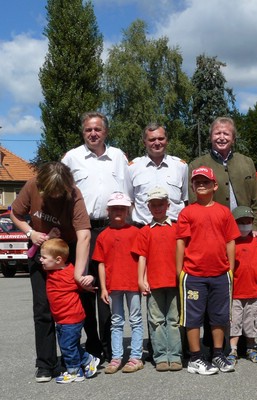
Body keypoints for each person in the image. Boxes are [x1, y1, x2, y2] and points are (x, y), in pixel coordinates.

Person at [11, 162, 91, 383]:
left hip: (67, 252)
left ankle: (74, 359)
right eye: (51, 192)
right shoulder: (32, 185)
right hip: (42, 254)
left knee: (72, 307)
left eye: (59, 192)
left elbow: (84, 235)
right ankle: (45, 364)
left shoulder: (74, 193)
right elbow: (15, 214)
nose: (55, 195)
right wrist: (31, 233)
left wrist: (79, 273)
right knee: (43, 308)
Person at [62, 111, 130, 362]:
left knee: (109, 289)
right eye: (89, 130)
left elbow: (128, 192)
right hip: (82, 230)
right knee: (86, 287)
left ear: (106, 132)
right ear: (83, 132)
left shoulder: (118, 157)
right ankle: (92, 344)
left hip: (112, 229)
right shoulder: (72, 157)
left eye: (98, 129)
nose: (93, 133)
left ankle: (110, 346)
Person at [176, 166, 240, 375]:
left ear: (215, 185)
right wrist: (180, 271)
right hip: (193, 275)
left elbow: (230, 241)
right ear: (192, 187)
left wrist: (229, 269)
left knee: (220, 316)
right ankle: (195, 358)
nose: (201, 185)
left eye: (205, 181)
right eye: (197, 182)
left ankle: (218, 354)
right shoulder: (187, 212)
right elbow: (181, 243)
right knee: (192, 318)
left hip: (221, 274)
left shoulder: (223, 212)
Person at [188, 117, 257, 239]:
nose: (222, 137)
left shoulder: (247, 162)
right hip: (213, 233)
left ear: (233, 139)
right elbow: (193, 204)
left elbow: (256, 200)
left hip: (246, 232)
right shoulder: (196, 165)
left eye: (226, 134)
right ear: (210, 137)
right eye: (217, 133)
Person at [132, 187, 182, 372]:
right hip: (154, 282)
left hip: (174, 281)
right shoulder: (145, 231)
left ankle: (175, 355)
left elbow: (183, 254)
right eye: (154, 205)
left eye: (161, 204)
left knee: (174, 320)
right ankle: (161, 356)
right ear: (149, 207)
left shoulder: (177, 228)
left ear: (168, 205)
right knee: (156, 321)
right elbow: (142, 257)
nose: (158, 208)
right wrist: (141, 279)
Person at [93, 192, 143, 374]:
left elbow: (143, 259)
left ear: (128, 211)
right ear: (108, 210)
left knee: (136, 320)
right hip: (113, 285)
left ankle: (136, 357)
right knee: (116, 321)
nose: (118, 211)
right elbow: (100, 263)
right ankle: (116, 358)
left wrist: (142, 280)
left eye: (122, 208)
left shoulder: (136, 232)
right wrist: (104, 287)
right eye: (115, 208)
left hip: (133, 284)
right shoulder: (103, 235)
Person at [41, 238, 99, 383]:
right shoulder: (51, 271)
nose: (40, 260)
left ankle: (75, 372)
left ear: (58, 259)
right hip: (61, 319)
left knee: (67, 345)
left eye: (44, 257)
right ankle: (88, 360)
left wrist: (90, 278)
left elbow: (84, 281)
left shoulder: (71, 273)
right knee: (69, 345)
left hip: (72, 318)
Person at [227, 206, 257, 365]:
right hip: (235, 293)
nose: (245, 225)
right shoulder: (231, 243)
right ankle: (233, 350)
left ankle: (251, 348)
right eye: (241, 222)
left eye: (248, 222)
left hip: (253, 292)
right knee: (235, 323)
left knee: (252, 322)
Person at [128, 123, 188, 225]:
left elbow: (186, 200)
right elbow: (129, 201)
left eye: (161, 138)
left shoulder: (181, 166)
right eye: (152, 140)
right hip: (143, 229)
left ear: (167, 140)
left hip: (174, 228)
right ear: (144, 143)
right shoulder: (132, 167)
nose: (157, 143)